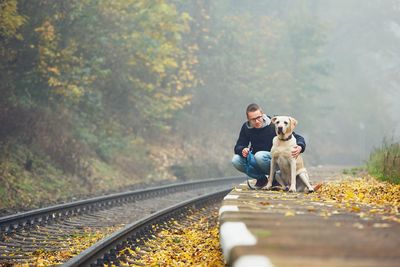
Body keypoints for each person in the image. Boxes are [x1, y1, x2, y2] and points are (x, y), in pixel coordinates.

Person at [232, 103, 306, 189]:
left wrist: (300, 146)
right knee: (236, 160)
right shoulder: (246, 128)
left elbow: (297, 137)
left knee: (259, 156)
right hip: (257, 159)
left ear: (262, 115)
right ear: (248, 119)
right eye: (253, 119)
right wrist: (242, 149)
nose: (256, 121)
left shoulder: (274, 124)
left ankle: (275, 180)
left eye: (258, 117)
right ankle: (262, 179)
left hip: (277, 161)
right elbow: (238, 146)